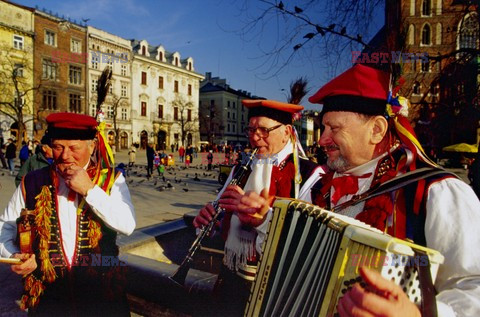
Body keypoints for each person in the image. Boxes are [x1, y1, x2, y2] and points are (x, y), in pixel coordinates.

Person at [302, 64, 480, 316]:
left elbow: (474, 284)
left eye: (334, 128)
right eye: (323, 128)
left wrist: (419, 314)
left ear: (376, 130)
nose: (322, 139)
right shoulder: (318, 186)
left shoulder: (437, 192)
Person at [193, 99, 323, 316]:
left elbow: (305, 242)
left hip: (276, 291)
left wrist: (263, 221)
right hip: (231, 282)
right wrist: (210, 222)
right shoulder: (240, 170)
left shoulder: (309, 175)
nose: (254, 138)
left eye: (264, 130)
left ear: (287, 132)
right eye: (251, 129)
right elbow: (222, 220)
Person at [0, 112, 136, 315]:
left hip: (101, 296)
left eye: (74, 148)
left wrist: (90, 190)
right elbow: (5, 227)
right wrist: (14, 256)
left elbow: (127, 225)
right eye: (58, 147)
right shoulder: (32, 181)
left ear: (91, 147)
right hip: (48, 296)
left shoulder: (110, 180)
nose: (65, 155)